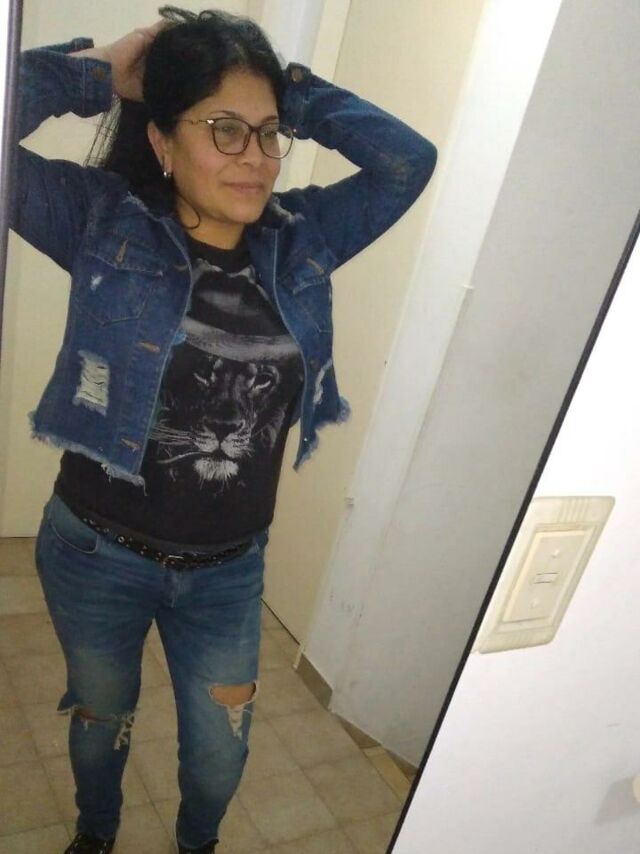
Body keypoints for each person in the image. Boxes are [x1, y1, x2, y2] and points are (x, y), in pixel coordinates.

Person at [10, 6, 437, 853]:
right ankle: (96, 834)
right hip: (96, 553)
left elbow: (406, 162)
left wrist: (290, 91)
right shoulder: (101, 222)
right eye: (223, 130)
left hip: (227, 573)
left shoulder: (305, 237)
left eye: (268, 134)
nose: (255, 156)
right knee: (101, 721)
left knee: (217, 758)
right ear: (162, 142)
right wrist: (101, 70)